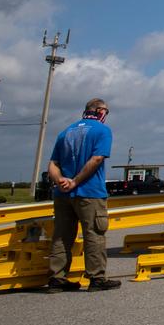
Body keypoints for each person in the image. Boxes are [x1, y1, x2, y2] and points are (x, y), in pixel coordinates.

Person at [45, 97, 120, 291]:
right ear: (99, 111)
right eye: (106, 112)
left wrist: (61, 180)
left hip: (63, 194)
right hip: (89, 192)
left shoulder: (66, 132)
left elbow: (52, 164)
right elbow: (96, 159)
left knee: (61, 236)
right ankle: (96, 278)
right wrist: (76, 181)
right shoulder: (102, 131)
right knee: (94, 234)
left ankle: (57, 279)